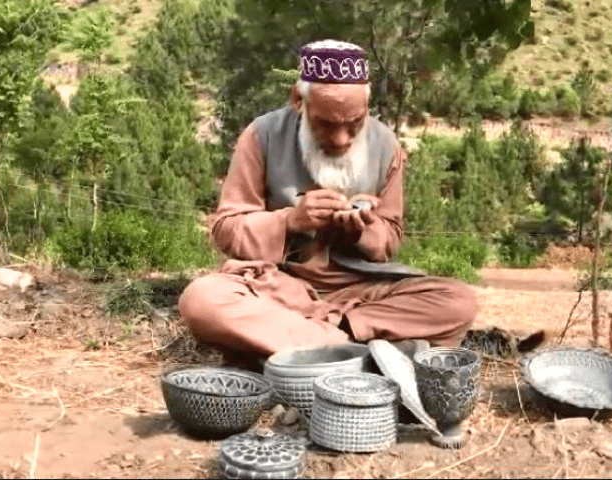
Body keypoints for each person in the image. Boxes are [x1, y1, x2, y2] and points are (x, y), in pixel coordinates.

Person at [178, 39, 477, 367]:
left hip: (358, 293)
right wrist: (290, 221)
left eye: (355, 124)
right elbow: (226, 228)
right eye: (326, 124)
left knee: (458, 301)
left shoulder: (385, 145)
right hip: (275, 286)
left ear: (367, 104)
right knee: (202, 300)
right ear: (298, 100)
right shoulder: (262, 135)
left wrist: (363, 229)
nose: (341, 140)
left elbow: (388, 241)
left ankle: (309, 344)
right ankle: (351, 352)